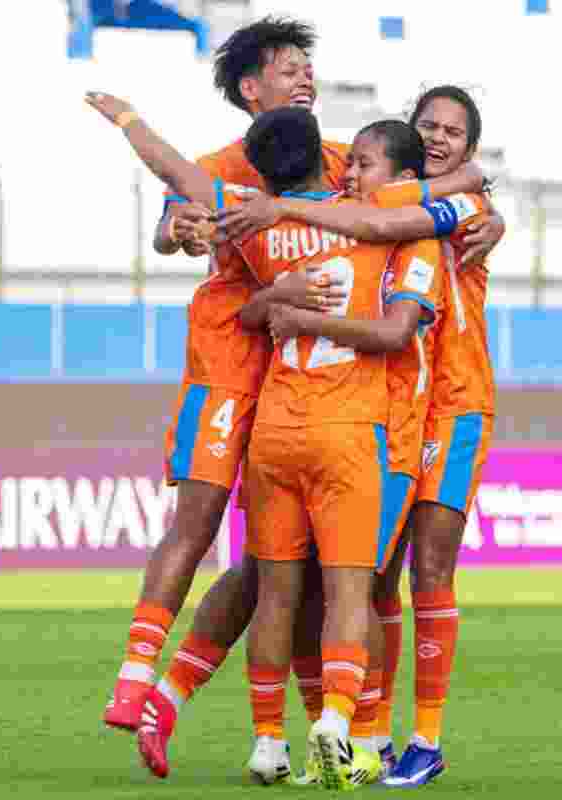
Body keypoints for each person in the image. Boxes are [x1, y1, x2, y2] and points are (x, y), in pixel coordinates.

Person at [88, 75, 489, 781]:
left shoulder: (259, 218)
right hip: (355, 428)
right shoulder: (398, 222)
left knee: (278, 582)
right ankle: (350, 731)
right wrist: (473, 186)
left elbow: (183, 179)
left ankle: (262, 735)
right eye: (350, 163)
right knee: (351, 586)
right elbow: (395, 322)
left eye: (363, 163)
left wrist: (127, 120)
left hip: (278, 425)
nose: (353, 170)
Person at [219, 85, 503, 787]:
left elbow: (390, 221)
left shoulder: (460, 209)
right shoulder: (370, 194)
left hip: (455, 403)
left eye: (454, 132)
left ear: (468, 147)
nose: (440, 137)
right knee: (372, 577)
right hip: (393, 405)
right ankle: (366, 737)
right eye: (429, 126)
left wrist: (281, 210)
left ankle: (426, 740)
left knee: (429, 569)